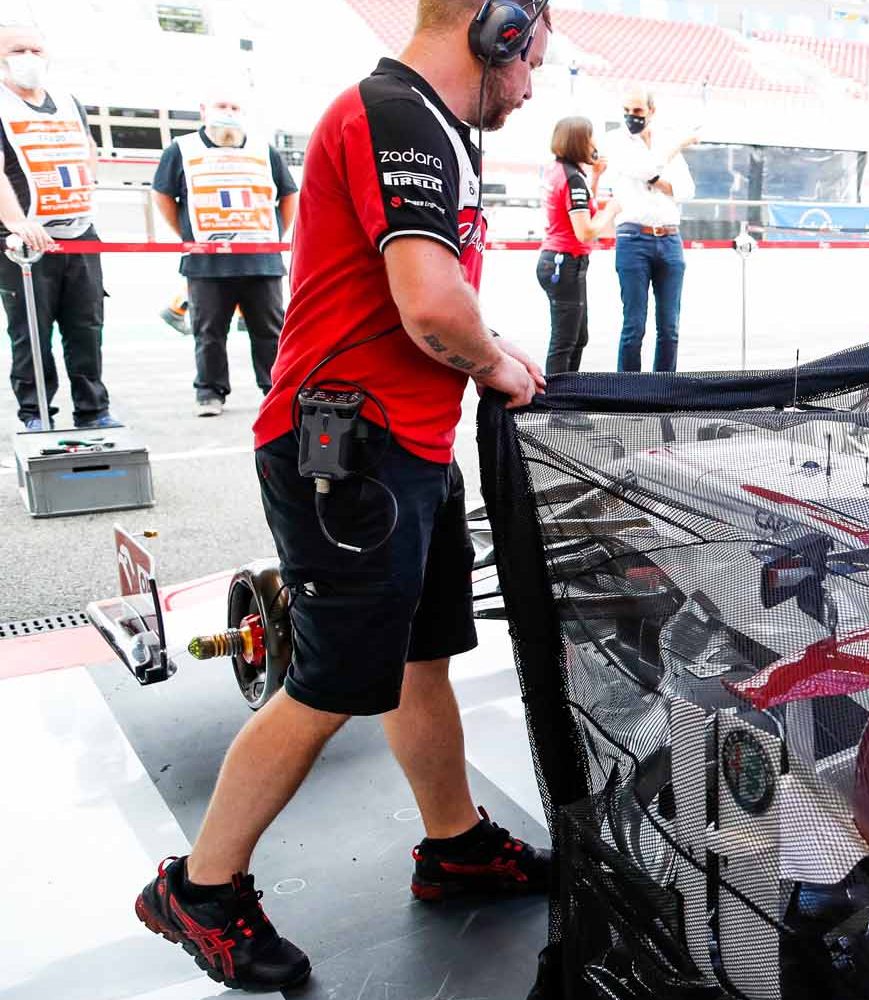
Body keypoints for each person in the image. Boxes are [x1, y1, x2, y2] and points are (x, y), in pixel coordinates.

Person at [133, 1, 552, 992]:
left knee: (420, 659)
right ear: (494, 33)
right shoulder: (397, 114)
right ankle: (199, 886)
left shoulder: (432, 126)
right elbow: (430, 303)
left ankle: (454, 848)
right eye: (532, 58)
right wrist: (495, 363)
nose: (532, 86)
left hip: (402, 445)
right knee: (326, 684)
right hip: (346, 458)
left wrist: (477, 366)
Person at [152, 86, 299, 416]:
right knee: (209, 332)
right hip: (206, 264)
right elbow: (162, 195)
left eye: (235, 106)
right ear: (204, 110)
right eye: (222, 105)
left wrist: (274, 236)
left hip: (261, 263)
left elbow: (289, 195)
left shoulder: (265, 151)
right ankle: (210, 392)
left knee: (270, 333)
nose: (228, 112)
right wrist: (190, 236)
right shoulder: (181, 150)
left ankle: (274, 389)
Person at [0, 21, 116, 430]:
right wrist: (15, 220)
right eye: (16, 51)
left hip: (79, 233)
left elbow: (87, 149)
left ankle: (94, 410)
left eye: (35, 50)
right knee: (31, 333)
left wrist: (86, 192)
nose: (27, 59)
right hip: (24, 240)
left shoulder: (68, 100)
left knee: (86, 327)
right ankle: (36, 415)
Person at [607, 87, 696, 373]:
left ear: (651, 112)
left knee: (670, 327)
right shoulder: (616, 141)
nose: (631, 117)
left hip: (670, 239)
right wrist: (676, 147)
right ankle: (628, 391)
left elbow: (686, 189)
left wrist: (659, 178)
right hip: (633, 239)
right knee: (634, 325)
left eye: (638, 112)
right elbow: (646, 168)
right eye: (627, 111)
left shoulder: (662, 143)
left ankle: (663, 389)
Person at [537, 115, 619, 374]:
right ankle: (556, 403)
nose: (595, 144)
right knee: (565, 342)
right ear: (579, 141)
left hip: (561, 262)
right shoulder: (572, 178)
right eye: (591, 138)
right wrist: (612, 210)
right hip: (565, 263)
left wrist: (594, 178)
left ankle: (567, 395)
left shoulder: (559, 171)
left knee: (577, 337)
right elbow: (585, 231)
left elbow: (579, 207)